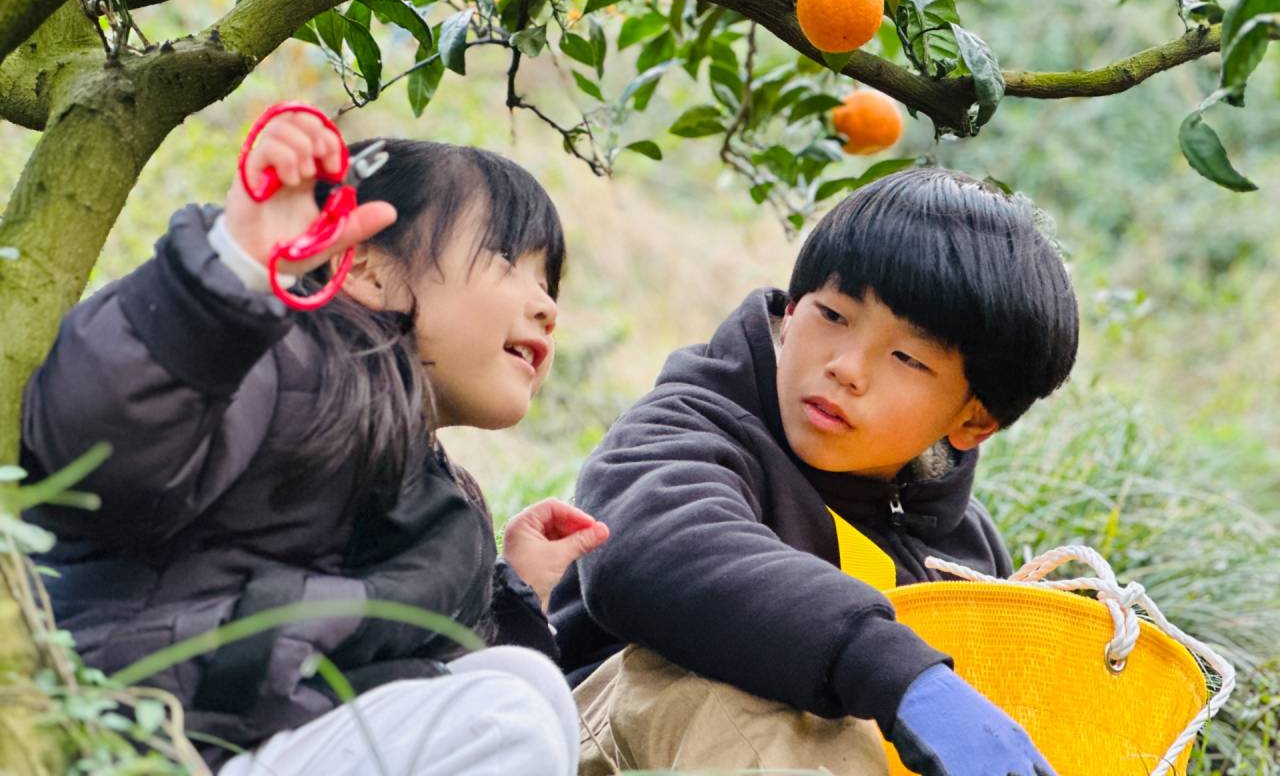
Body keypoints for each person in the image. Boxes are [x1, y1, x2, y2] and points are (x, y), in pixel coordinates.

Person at [21, 105, 610, 775]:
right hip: (141, 734)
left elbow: (419, 679)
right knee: (507, 720)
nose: (547, 306)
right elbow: (107, 445)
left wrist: (517, 593)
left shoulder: (437, 492)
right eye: (509, 260)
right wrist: (227, 277)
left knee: (524, 685)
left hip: (255, 737)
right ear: (362, 266)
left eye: (548, 281)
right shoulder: (277, 362)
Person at [550, 167, 1079, 776]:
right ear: (792, 310)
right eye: (833, 316)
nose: (847, 367)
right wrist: (894, 674)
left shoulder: (963, 549)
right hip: (597, 740)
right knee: (715, 691)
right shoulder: (687, 430)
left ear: (973, 421)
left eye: (907, 357)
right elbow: (647, 553)